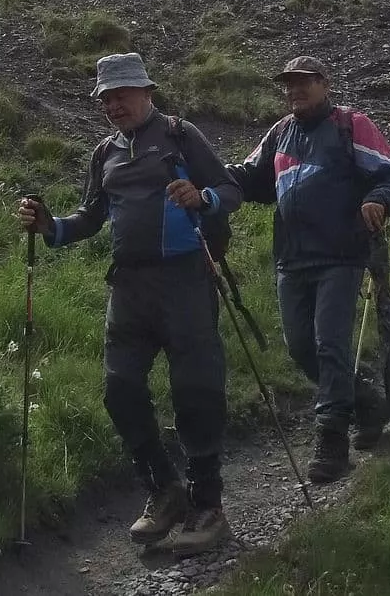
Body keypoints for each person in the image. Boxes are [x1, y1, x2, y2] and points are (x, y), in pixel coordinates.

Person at [16, 53, 244, 555]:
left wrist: (201, 198)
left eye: (123, 94)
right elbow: (91, 215)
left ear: (147, 92)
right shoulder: (105, 153)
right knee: (119, 389)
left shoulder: (181, 135)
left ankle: (208, 505)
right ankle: (164, 490)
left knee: (196, 390)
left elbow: (230, 189)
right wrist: (50, 227)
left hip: (186, 280)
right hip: (130, 287)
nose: (114, 104)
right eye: (106, 97)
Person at [227, 57, 390, 483]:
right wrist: (207, 180)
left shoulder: (352, 125)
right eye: (288, 85)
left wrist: (379, 200)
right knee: (300, 347)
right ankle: (366, 401)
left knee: (329, 343)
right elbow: (250, 177)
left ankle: (331, 439)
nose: (294, 91)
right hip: (291, 258)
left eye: (303, 83)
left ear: (325, 83)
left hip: (341, 255)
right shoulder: (279, 132)